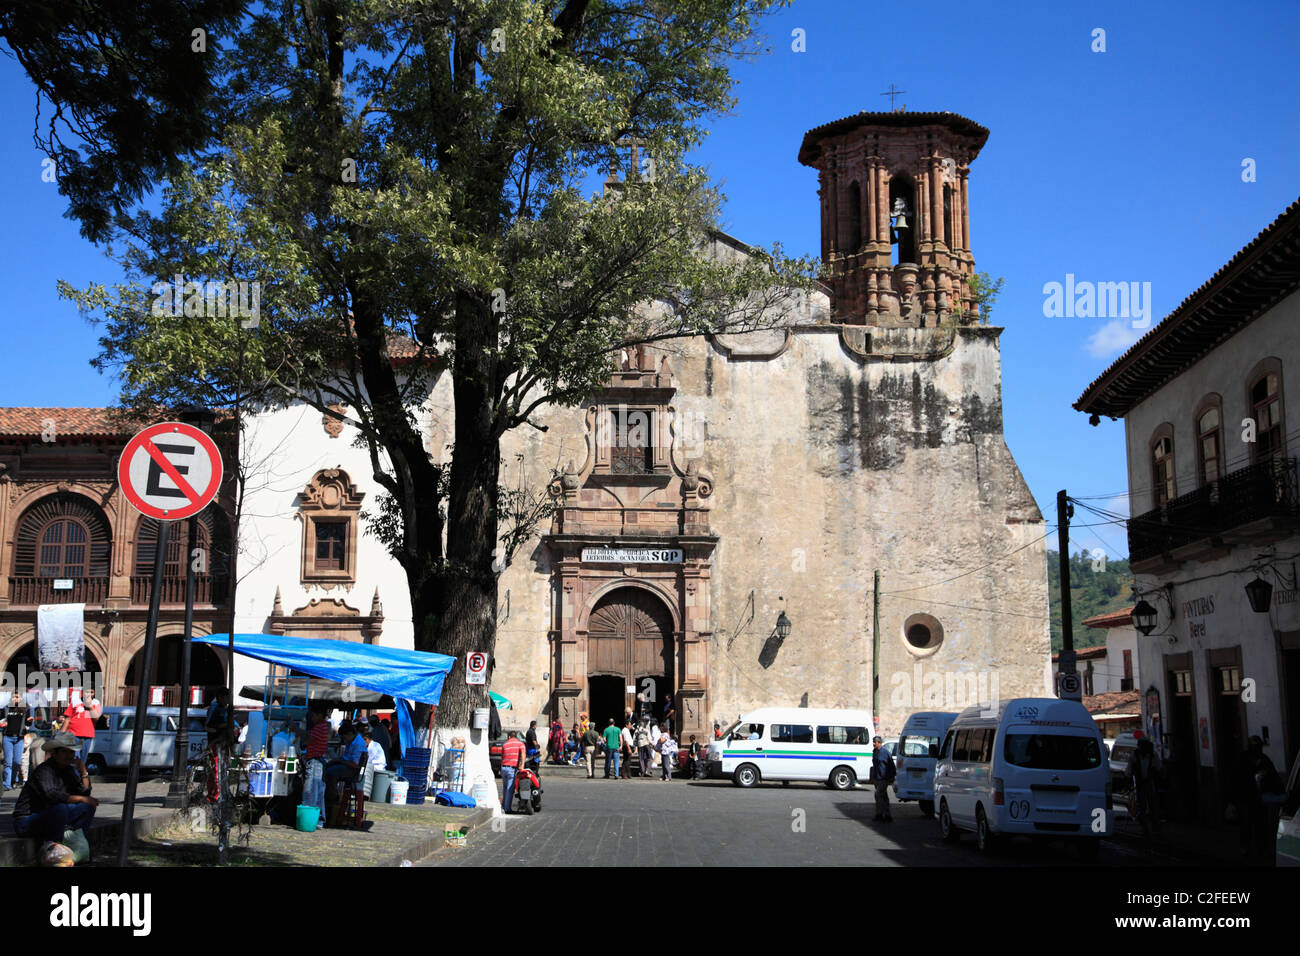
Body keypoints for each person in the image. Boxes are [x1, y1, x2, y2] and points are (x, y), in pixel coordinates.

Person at [12, 733, 99, 853]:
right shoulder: (44, 770)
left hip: (53, 817)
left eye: (71, 752)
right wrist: (81, 799)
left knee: (88, 807)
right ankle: (55, 848)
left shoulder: (69, 771)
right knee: (61, 809)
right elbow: (52, 796)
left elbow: (84, 794)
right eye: (65, 752)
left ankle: (76, 843)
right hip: (27, 820)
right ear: (55, 753)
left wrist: (83, 772)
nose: (69, 756)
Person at [1236, 735, 1283, 861]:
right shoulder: (1243, 759)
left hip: (1258, 799)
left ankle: (1260, 848)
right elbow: (1237, 780)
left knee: (1259, 825)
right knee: (1247, 825)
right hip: (1246, 798)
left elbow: (1274, 777)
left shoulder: (1263, 759)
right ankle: (1247, 847)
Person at [301, 710, 330, 830]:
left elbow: (307, 740)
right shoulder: (323, 727)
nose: (312, 717)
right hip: (318, 761)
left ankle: (309, 820)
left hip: (315, 762)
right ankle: (319, 820)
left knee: (311, 791)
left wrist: (295, 729)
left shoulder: (319, 728)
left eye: (314, 714)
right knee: (318, 793)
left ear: (319, 714)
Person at [1127, 737, 1162, 838]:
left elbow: (1158, 768)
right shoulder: (1135, 756)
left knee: (1152, 805)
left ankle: (1154, 826)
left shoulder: (1152, 755)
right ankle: (1145, 827)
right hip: (1141, 783)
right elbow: (1129, 771)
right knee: (1142, 805)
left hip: (1150, 783)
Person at [59, 689, 99, 764]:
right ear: (83, 692)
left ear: (94, 694)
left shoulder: (96, 703)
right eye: (87, 692)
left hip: (87, 736)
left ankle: (80, 775)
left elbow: (96, 719)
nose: (89, 694)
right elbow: (67, 719)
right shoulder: (75, 702)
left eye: (91, 692)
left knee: (83, 761)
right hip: (73, 735)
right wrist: (61, 734)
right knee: (74, 758)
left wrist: (90, 706)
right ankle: (73, 775)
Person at [2, 692, 33, 790]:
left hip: (19, 738)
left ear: (21, 698)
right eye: (13, 697)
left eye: (17, 697)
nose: (15, 699)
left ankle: (13, 780)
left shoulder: (25, 709)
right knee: (8, 762)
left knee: (17, 762)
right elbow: (1, 719)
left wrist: (30, 721)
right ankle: (7, 784)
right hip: (8, 737)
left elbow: (28, 723)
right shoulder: (6, 708)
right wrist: (2, 723)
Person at [870, 736, 895, 822]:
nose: (873, 743)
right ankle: (886, 815)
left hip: (884, 778)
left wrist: (890, 777)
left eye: (875, 742)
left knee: (878, 794)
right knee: (883, 796)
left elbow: (891, 766)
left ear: (879, 743)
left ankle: (880, 814)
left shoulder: (885, 753)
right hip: (877, 778)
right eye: (873, 742)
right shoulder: (875, 752)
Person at [500, 730, 526, 812]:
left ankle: (504, 806)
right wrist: (522, 765)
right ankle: (507, 809)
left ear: (509, 737)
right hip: (512, 768)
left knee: (505, 788)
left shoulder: (505, 744)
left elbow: (502, 756)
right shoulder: (520, 744)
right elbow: (523, 754)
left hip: (503, 768)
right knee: (510, 789)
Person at [360, 724, 387, 799]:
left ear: (368, 739)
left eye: (365, 740)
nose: (364, 742)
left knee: (363, 771)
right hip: (373, 765)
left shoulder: (373, 746)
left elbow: (369, 760)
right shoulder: (372, 745)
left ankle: (365, 793)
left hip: (378, 766)